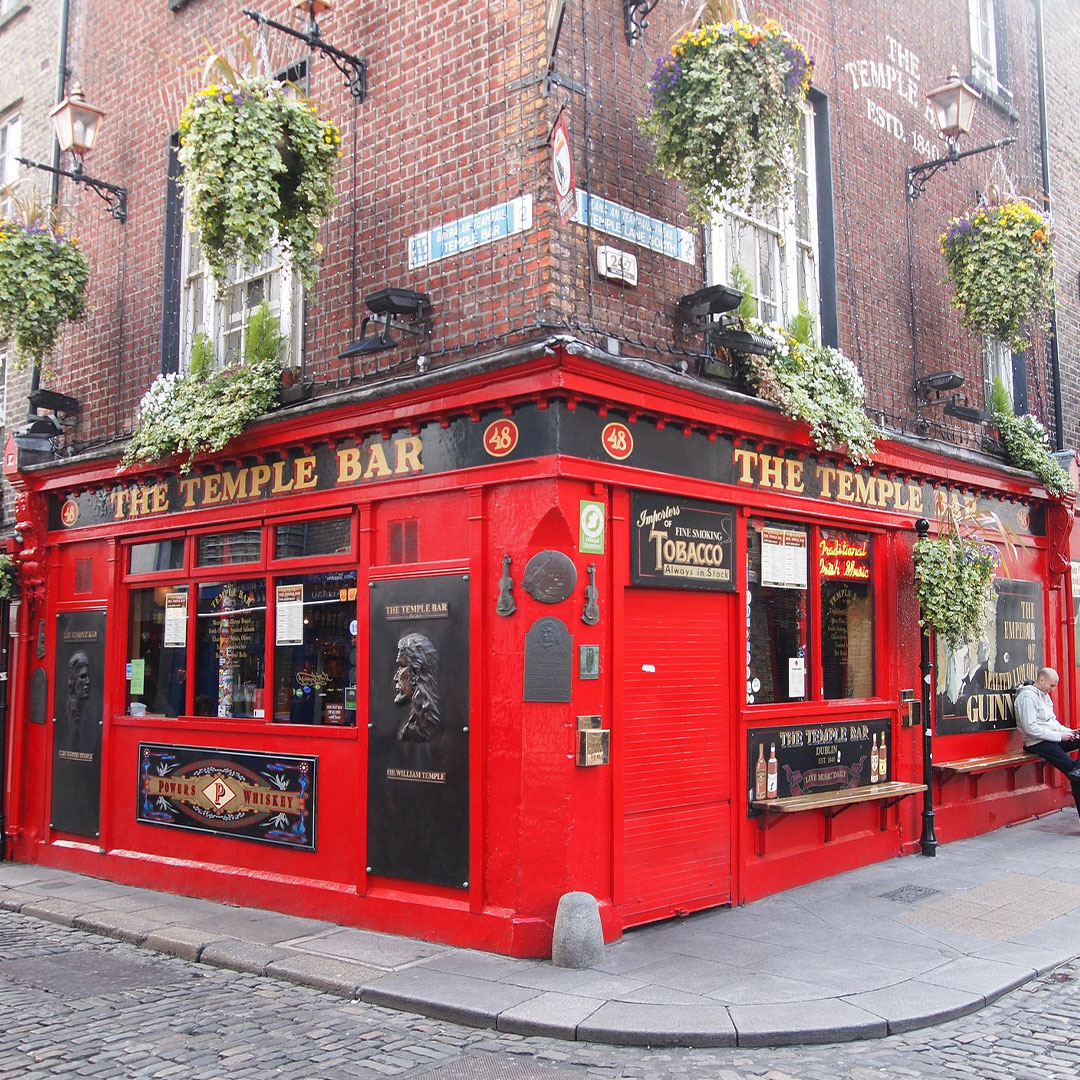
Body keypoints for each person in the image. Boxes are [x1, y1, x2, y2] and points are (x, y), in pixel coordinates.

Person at [1015, 667, 1080, 818]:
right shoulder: (1027, 697)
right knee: (1075, 777)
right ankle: (1076, 770)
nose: (1053, 689)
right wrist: (1059, 737)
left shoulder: (1044, 695)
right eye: (1052, 685)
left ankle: (1078, 769)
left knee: (1076, 772)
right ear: (1041, 680)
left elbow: (1052, 722)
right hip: (1037, 743)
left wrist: (1069, 732)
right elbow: (1029, 728)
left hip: (1052, 738)